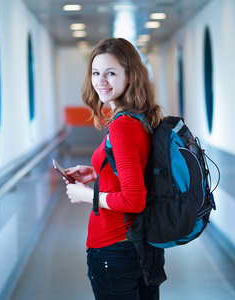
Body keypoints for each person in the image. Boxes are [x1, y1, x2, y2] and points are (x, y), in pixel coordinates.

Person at [64, 37, 166, 300]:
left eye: (111, 73)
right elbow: (138, 167)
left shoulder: (122, 125)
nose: (101, 81)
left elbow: (134, 199)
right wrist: (98, 173)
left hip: (115, 247)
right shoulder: (142, 117)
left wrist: (86, 195)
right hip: (142, 246)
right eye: (96, 73)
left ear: (130, 75)